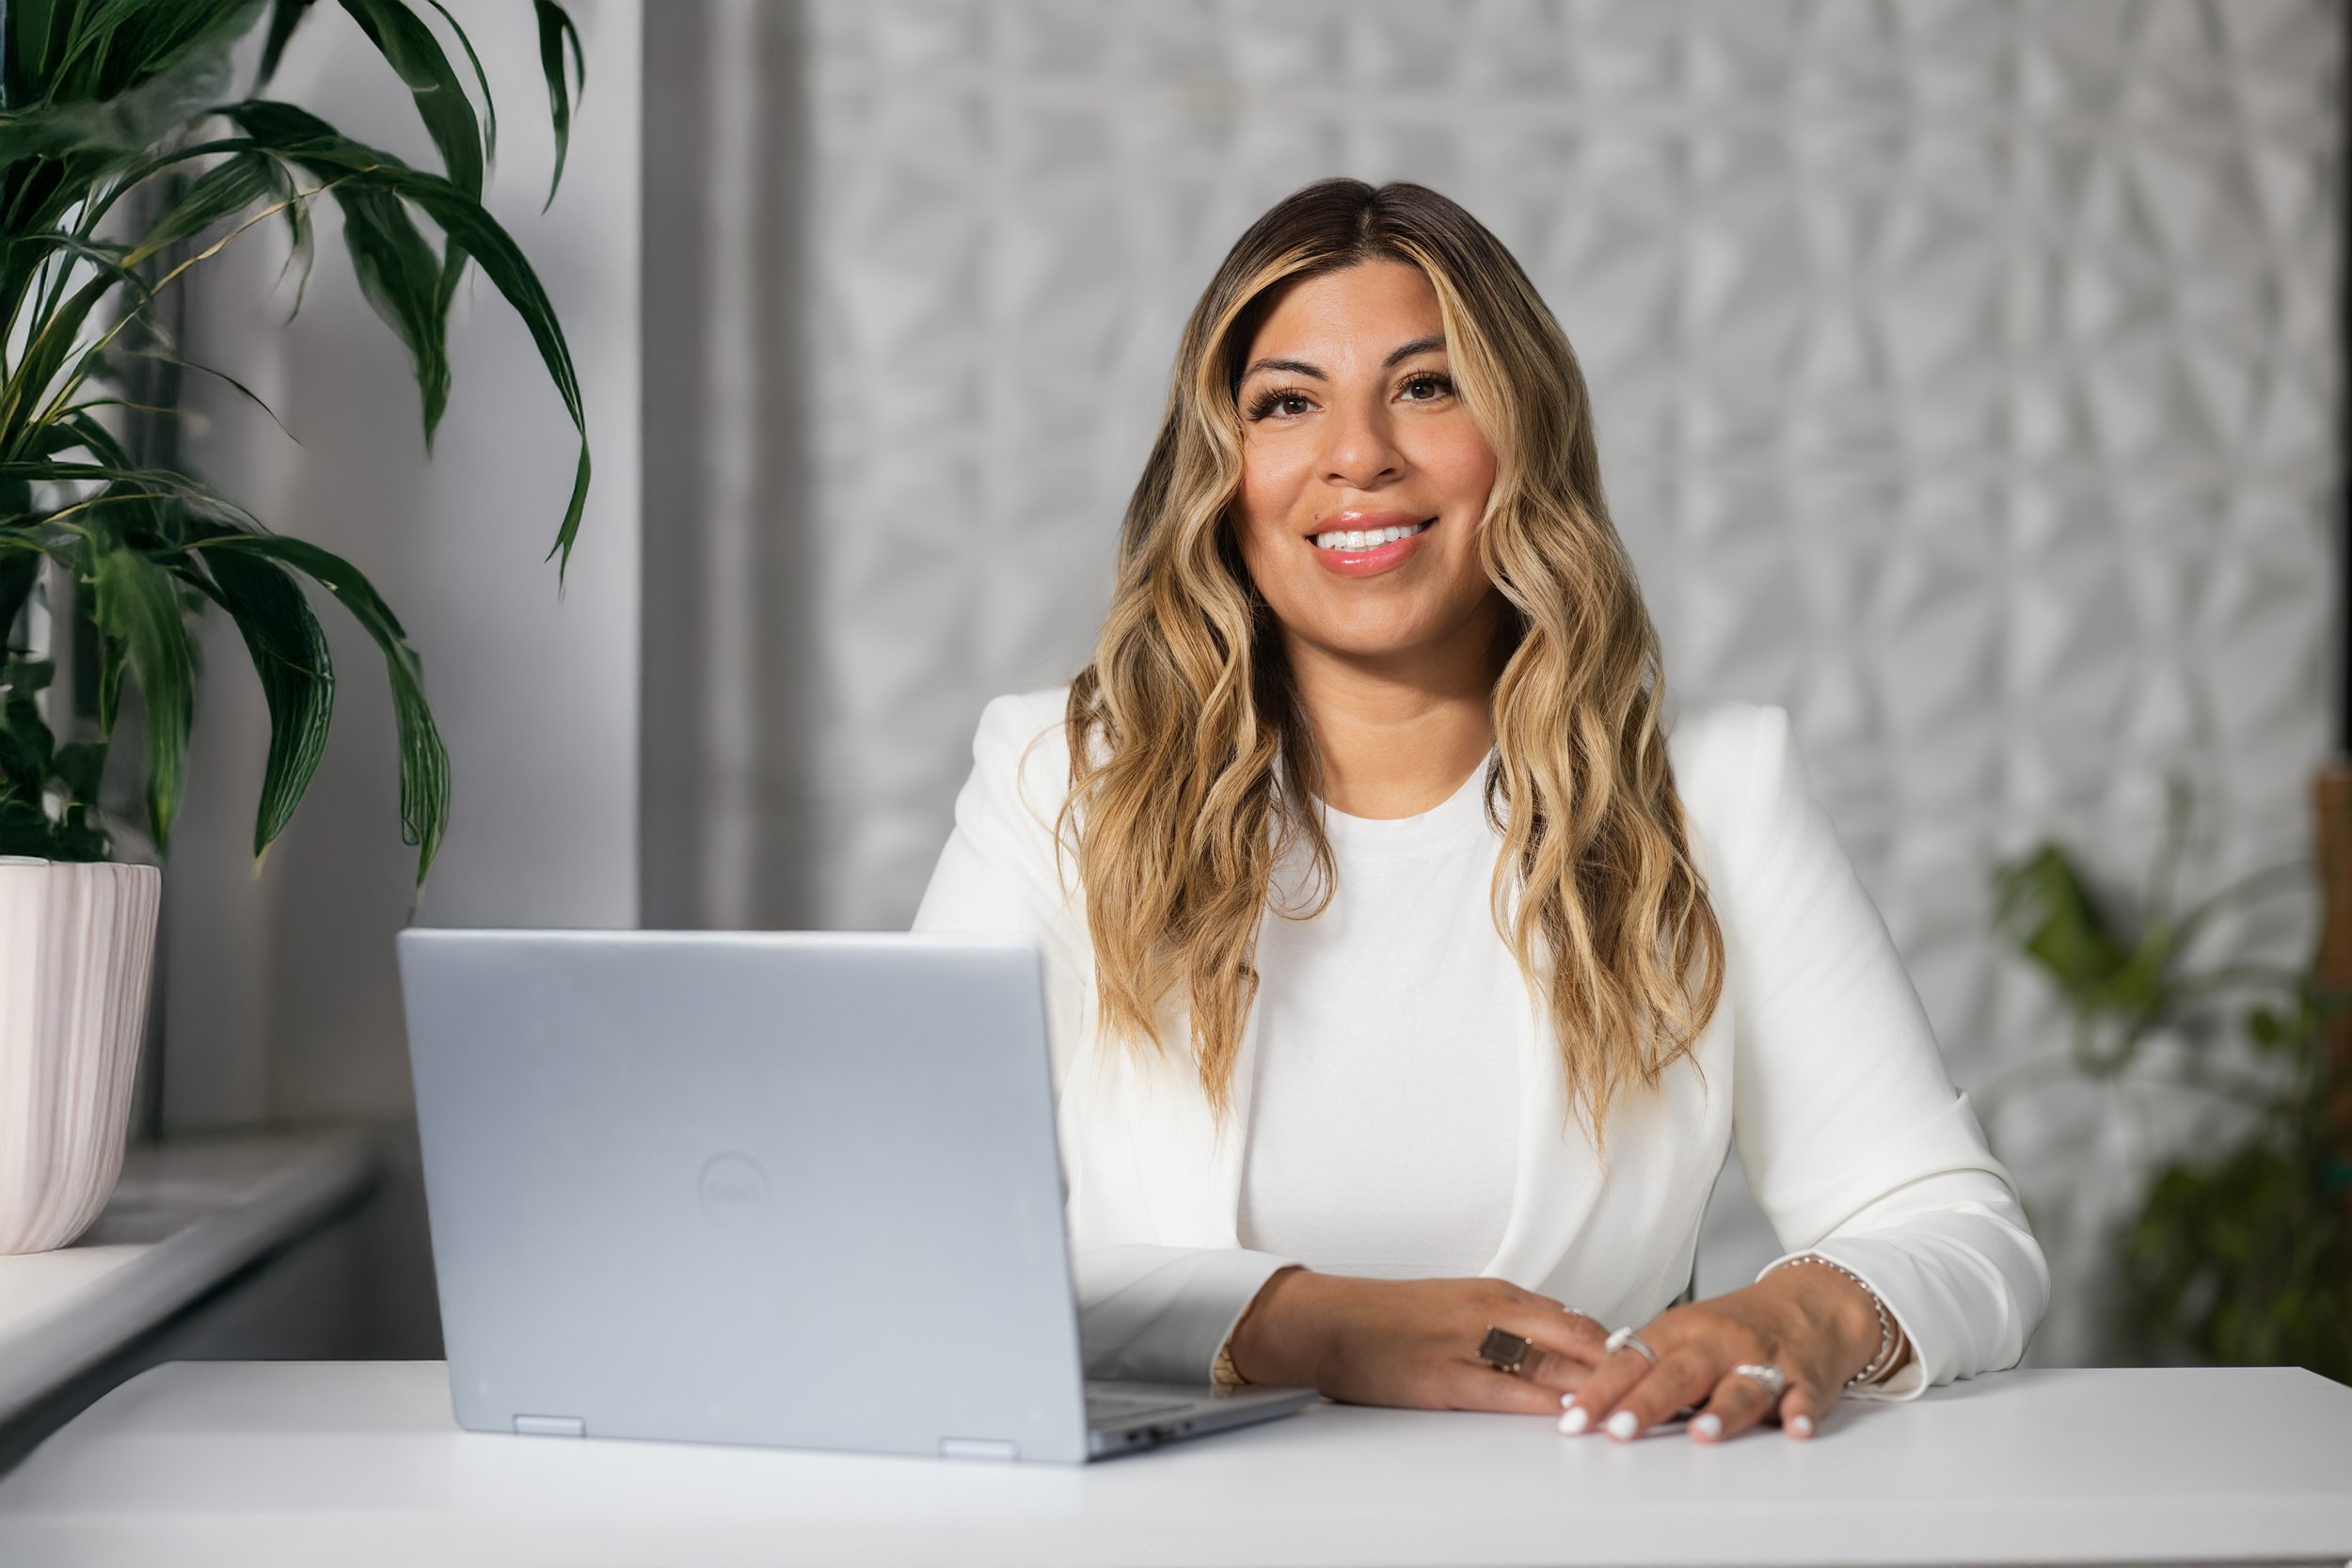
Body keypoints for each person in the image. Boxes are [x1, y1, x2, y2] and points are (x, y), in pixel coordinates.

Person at [913, 178, 2047, 1445]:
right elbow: (913, 1232)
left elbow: (1955, 1227)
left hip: (1579, 1521)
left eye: (1427, 385)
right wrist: (1299, 1322)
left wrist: (1804, 1314)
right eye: (1288, 402)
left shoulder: (1716, 792)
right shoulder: (1060, 779)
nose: (1359, 455)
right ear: (1220, 474)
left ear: (1524, 436)